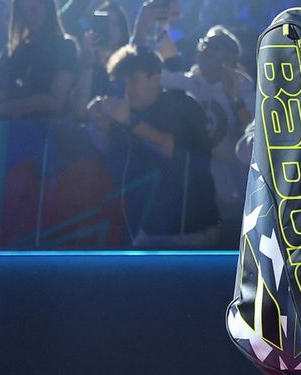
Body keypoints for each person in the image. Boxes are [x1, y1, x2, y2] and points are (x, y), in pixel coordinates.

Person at [86, 44, 219, 247]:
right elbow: (107, 153)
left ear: (155, 78)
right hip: (144, 231)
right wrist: (99, 125)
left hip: (190, 232)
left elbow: (174, 151)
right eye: (122, 82)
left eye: (133, 81)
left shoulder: (182, 105)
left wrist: (130, 122)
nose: (127, 90)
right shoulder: (124, 111)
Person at [158, 23, 254, 244]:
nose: (204, 50)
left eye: (214, 47)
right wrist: (157, 25)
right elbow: (154, 77)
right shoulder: (189, 82)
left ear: (231, 59)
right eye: (203, 44)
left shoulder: (245, 88)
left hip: (237, 194)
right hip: (198, 197)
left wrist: (234, 99)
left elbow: (254, 132)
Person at [0, 0, 79, 119]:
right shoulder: (13, 50)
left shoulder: (65, 47)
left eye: (33, 9)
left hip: (46, 131)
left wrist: (13, 104)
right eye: (22, 11)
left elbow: (56, 101)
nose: (28, 16)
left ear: (48, 8)